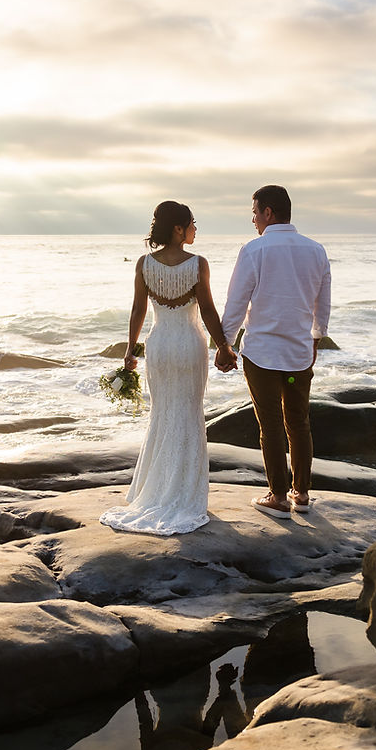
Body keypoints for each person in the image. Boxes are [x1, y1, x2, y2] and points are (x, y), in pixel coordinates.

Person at [101, 201, 237, 535]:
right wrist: (223, 345)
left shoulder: (145, 264)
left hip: (159, 346)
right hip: (189, 346)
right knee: (189, 414)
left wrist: (130, 350)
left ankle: (159, 489)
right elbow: (207, 310)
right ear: (178, 229)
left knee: (162, 415)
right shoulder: (197, 264)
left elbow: (138, 310)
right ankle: (185, 496)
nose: (195, 229)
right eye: (192, 223)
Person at [218, 185, 331, 519]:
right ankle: (303, 493)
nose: (253, 219)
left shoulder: (255, 249)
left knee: (270, 426)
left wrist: (225, 344)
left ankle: (278, 497)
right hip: (298, 355)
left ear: (268, 212)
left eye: (254, 212)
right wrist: (316, 339)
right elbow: (322, 303)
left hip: (262, 354)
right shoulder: (316, 250)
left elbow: (237, 300)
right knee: (299, 423)